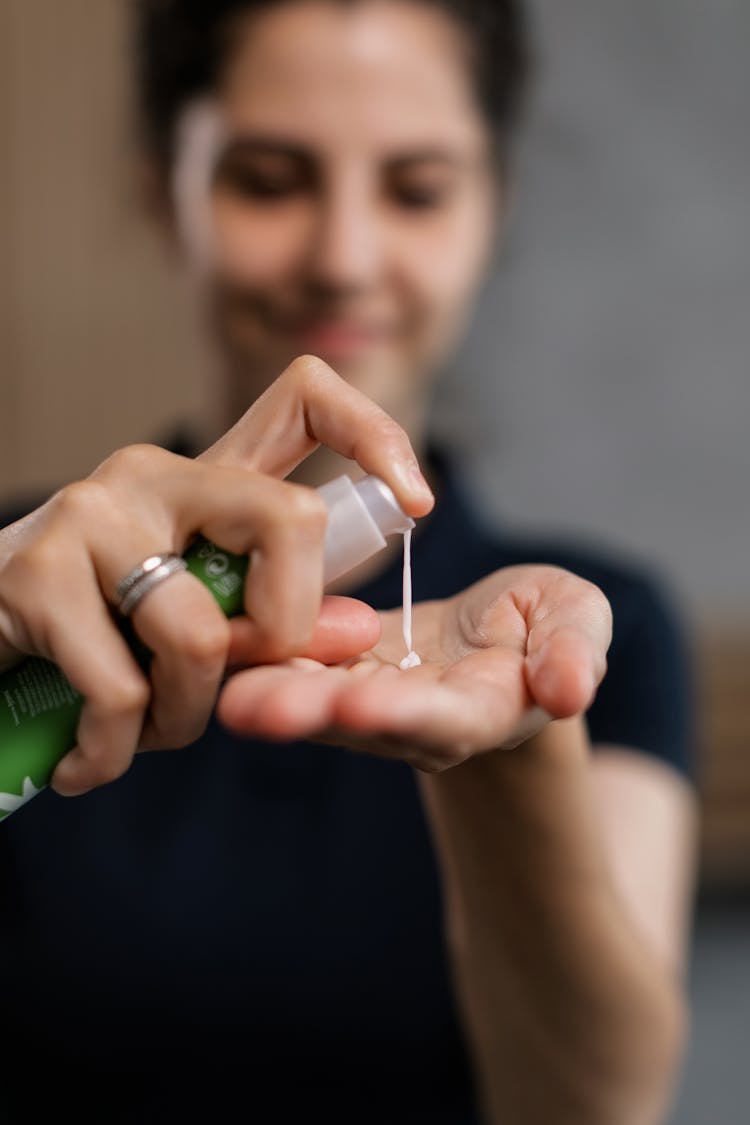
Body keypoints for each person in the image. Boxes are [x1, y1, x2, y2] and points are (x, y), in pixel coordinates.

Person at [0, 2, 698, 1123]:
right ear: (159, 188)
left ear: (493, 209)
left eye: (416, 190)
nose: (344, 256)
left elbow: (597, 1105)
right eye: (271, 180)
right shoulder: (32, 597)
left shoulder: (588, 626)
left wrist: (515, 754)